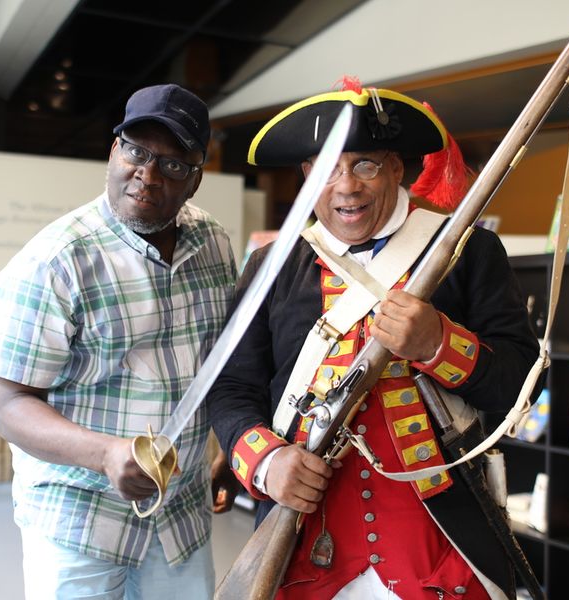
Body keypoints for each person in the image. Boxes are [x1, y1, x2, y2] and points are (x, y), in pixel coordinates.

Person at [208, 79, 539, 600]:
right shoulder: (269, 267)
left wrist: (439, 344)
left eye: (364, 164)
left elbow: (521, 386)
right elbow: (229, 388)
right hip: (304, 548)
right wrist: (268, 463)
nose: (346, 186)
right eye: (327, 169)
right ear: (305, 177)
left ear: (395, 168)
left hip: (443, 544)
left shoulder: (466, 250)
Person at [0, 83, 241, 599]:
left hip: (182, 519)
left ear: (195, 179)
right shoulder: (55, 262)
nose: (146, 175)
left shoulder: (213, 243)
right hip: (79, 521)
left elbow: (218, 367)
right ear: (113, 150)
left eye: (172, 165)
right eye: (136, 151)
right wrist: (105, 453)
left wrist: (231, 450)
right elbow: (8, 404)